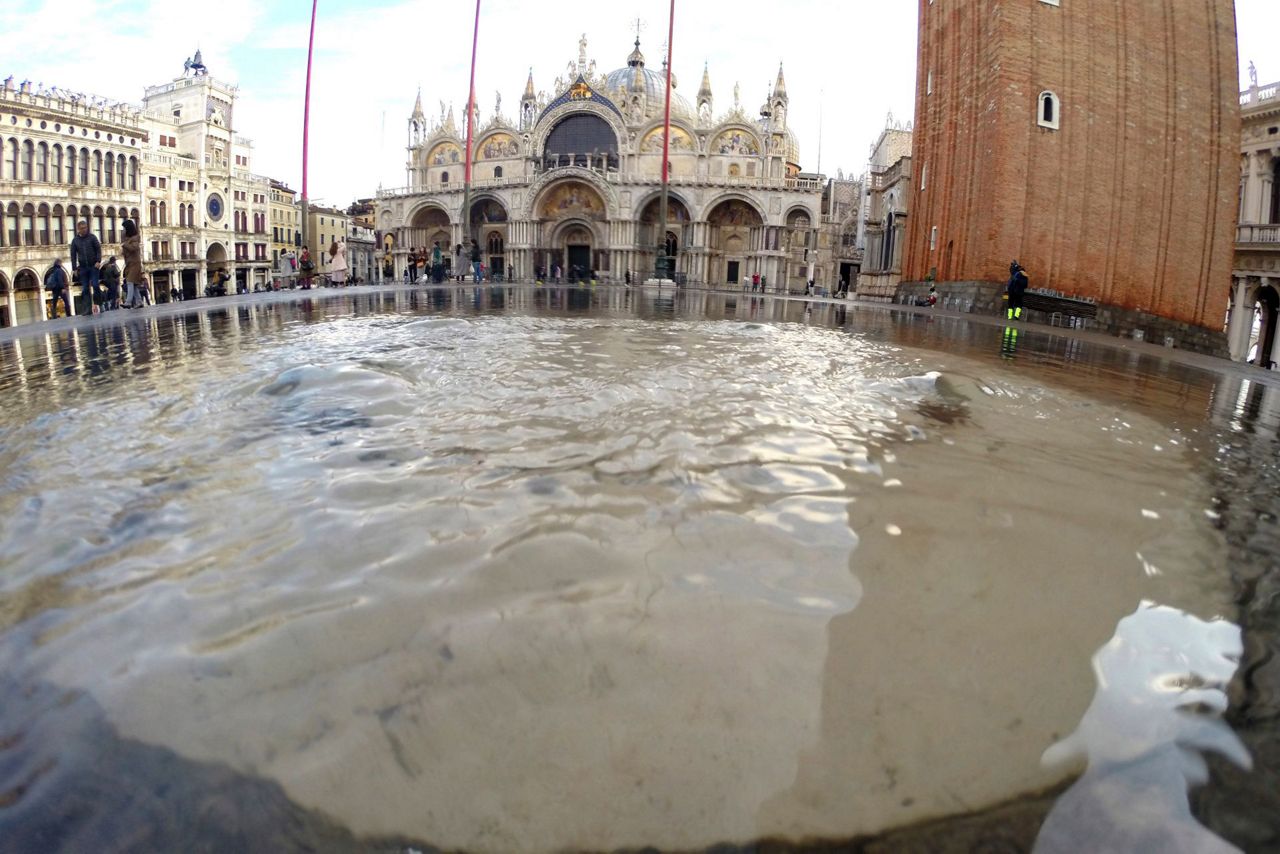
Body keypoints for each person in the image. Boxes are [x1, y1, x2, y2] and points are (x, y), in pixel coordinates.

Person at [70, 220, 102, 314]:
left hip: (93, 266)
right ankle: (87, 309)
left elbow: (98, 249)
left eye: (85, 228)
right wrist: (74, 268)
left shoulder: (92, 237)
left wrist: (98, 261)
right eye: (82, 228)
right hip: (83, 267)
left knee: (95, 285)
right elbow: (73, 255)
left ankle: (98, 301)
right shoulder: (75, 240)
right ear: (78, 229)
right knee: (85, 289)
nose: (84, 230)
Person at [121, 219, 145, 308]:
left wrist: (124, 245)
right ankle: (139, 301)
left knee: (130, 282)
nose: (123, 230)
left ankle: (128, 302)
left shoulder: (134, 238)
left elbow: (134, 248)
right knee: (133, 284)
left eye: (124, 228)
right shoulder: (127, 239)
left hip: (134, 263)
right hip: (130, 263)